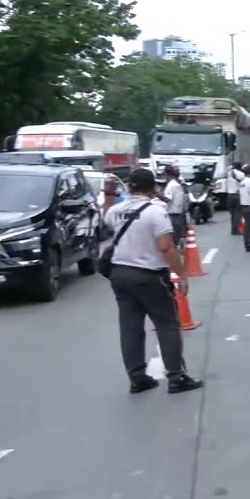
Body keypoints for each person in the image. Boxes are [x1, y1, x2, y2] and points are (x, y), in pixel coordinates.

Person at [104, 168, 204, 395]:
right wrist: (182, 275)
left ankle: (137, 378)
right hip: (148, 275)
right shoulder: (155, 212)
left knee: (130, 327)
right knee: (167, 324)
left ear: (129, 187)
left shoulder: (117, 210)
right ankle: (176, 377)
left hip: (120, 275)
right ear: (153, 188)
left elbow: (107, 218)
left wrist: (109, 196)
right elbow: (166, 247)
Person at [162, 165, 188, 250]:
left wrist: (156, 194)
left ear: (166, 174)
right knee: (177, 235)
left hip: (173, 215)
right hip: (179, 213)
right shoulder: (177, 184)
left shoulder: (171, 186)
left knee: (172, 240)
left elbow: (168, 199)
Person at [226, 162, 243, 236]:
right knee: (238, 214)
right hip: (237, 195)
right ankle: (236, 230)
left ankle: (233, 229)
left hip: (229, 195)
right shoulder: (241, 174)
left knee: (232, 214)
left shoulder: (229, 173)